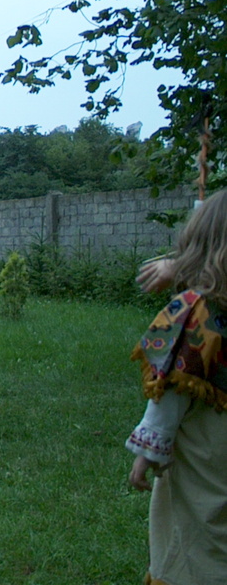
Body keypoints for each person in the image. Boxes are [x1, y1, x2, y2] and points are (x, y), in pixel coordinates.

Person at [125, 189, 227, 585]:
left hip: (203, 451)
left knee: (193, 528)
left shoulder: (191, 312)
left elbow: (169, 391)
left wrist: (147, 452)